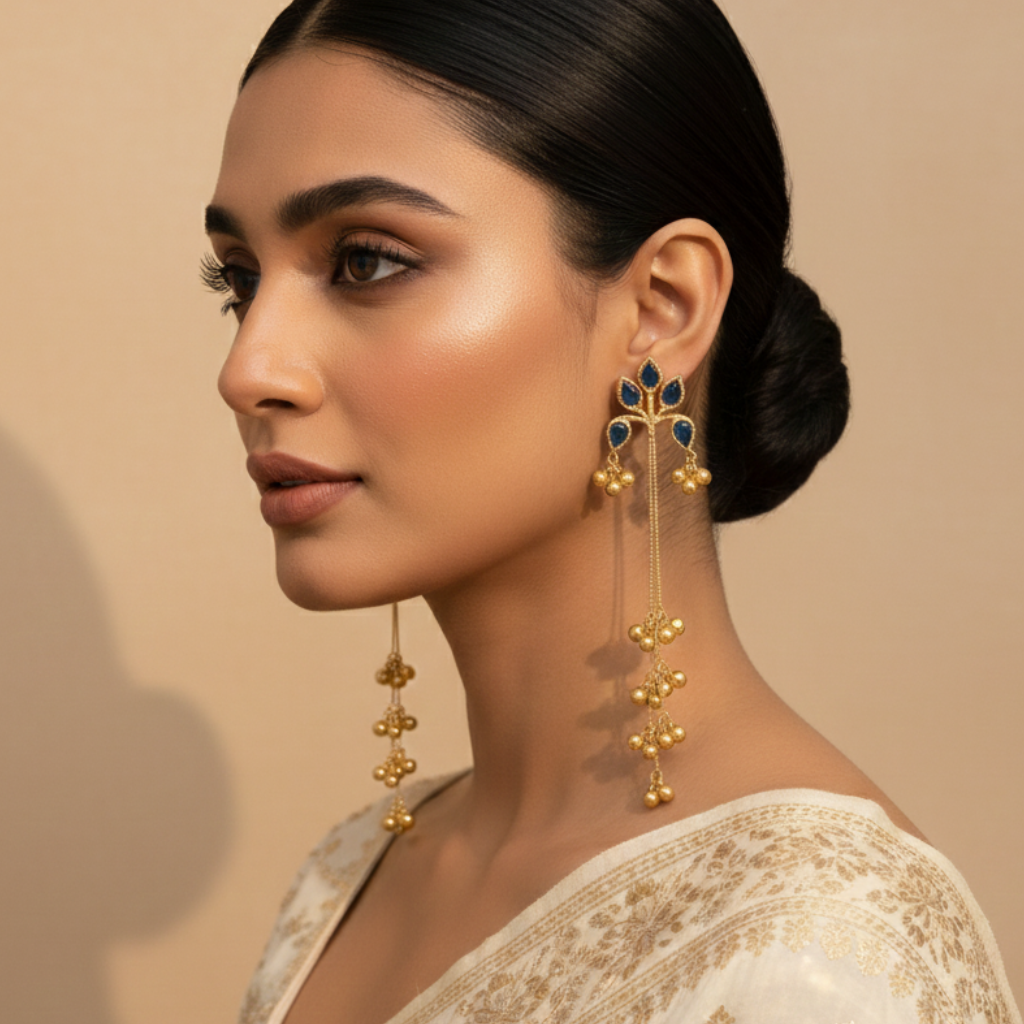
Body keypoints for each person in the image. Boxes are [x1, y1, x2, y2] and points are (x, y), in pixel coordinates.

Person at [202, 0, 1021, 1021]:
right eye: (237, 280)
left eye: (365, 260)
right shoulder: (351, 870)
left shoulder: (811, 956)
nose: (250, 369)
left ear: (660, 309)